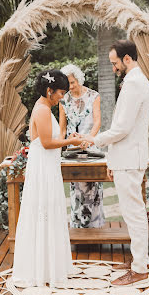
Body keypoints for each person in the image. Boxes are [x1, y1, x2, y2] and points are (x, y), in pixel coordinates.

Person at [82, 40, 149, 286]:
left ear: (127, 59)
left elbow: (122, 128)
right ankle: (138, 260)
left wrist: (94, 139)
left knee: (133, 214)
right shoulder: (136, 81)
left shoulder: (134, 83)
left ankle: (140, 268)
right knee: (132, 212)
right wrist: (111, 159)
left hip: (131, 159)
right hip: (126, 158)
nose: (113, 68)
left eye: (114, 63)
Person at [12, 69, 82, 288]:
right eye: (61, 92)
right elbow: (46, 143)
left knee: (51, 211)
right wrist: (71, 143)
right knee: (43, 211)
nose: (63, 96)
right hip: (42, 167)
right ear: (49, 90)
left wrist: (68, 135)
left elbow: (55, 138)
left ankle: (50, 266)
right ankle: (42, 270)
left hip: (48, 166)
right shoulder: (41, 110)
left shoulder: (46, 107)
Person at [59, 64, 105, 228]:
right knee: (76, 189)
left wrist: (90, 138)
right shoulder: (63, 100)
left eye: (72, 82)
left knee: (93, 186)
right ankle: (78, 228)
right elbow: (62, 128)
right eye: (66, 84)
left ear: (78, 79)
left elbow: (98, 120)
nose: (70, 87)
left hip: (92, 148)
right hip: (73, 150)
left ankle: (96, 227)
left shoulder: (94, 96)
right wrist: (60, 147)